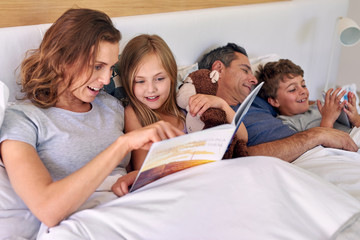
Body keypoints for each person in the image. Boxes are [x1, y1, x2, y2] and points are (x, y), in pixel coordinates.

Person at [0, 8, 183, 229]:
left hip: (139, 213)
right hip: (82, 226)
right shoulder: (22, 119)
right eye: (97, 66)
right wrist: (122, 144)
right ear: (62, 59)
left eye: (110, 68)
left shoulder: (112, 106)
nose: (106, 79)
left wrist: (137, 176)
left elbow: (137, 171)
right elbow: (47, 209)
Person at [197, 43, 358, 162]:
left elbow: (294, 100)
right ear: (218, 68)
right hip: (308, 158)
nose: (253, 80)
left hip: (327, 148)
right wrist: (317, 135)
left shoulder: (255, 99)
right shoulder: (209, 111)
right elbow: (241, 157)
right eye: (245, 70)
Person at [109, 34, 186, 196]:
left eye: (159, 79)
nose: (151, 89)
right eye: (140, 81)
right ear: (129, 82)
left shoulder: (184, 107)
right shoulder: (133, 114)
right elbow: (143, 169)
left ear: (172, 76)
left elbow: (241, 139)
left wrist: (222, 106)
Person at [255, 59, 360, 132]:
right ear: (274, 101)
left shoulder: (320, 107)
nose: (303, 91)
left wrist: (355, 118)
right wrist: (327, 120)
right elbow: (318, 149)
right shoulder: (286, 123)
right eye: (292, 89)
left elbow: (353, 128)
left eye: (303, 85)